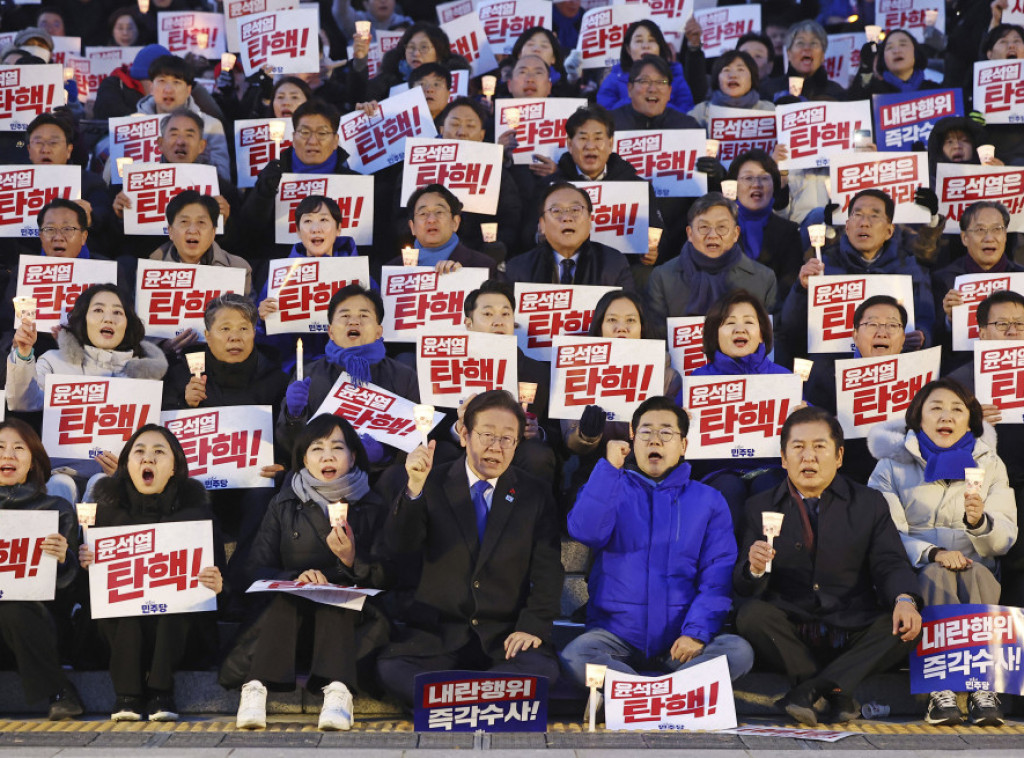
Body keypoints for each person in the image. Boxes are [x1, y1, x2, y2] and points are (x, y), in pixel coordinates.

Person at [734, 406, 923, 726]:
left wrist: (905, 599)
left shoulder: (869, 502)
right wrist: (754, 568)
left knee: (904, 626)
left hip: (850, 627)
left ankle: (808, 692)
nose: (808, 457)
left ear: (838, 456)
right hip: (791, 632)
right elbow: (743, 586)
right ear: (783, 458)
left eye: (819, 447)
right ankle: (838, 691)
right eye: (798, 447)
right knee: (751, 615)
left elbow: (889, 562)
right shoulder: (759, 506)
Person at [561, 396, 755, 705]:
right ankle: (671, 694)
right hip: (616, 637)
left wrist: (696, 633)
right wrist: (608, 471)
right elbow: (584, 531)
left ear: (684, 445)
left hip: (679, 644)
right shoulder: (609, 483)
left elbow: (716, 578)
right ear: (631, 439)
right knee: (576, 654)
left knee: (738, 651)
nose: (655, 440)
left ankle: (634, 695)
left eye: (666, 432)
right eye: (646, 431)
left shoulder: (709, 500)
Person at [376, 390, 563, 708]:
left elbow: (548, 569)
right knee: (390, 668)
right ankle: (488, 699)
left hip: (502, 636)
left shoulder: (534, 494)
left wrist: (532, 625)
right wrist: (414, 488)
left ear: (518, 444)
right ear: (464, 434)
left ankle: (451, 699)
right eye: (487, 435)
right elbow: (399, 547)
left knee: (543, 671)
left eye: (507, 439)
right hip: (439, 634)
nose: (496, 447)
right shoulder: (429, 482)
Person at [867, 379, 1016, 725]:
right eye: (935, 408)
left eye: (957, 409)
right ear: (919, 418)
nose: (945, 415)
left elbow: (1005, 537)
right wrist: (932, 552)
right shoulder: (890, 466)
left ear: (970, 421)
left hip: (976, 566)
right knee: (937, 575)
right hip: (915, 570)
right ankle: (941, 689)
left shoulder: (990, 465)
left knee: (977, 572)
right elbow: (885, 536)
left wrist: (979, 523)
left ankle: (983, 688)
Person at [229, 414, 390, 730]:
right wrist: (294, 578)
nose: (327, 456)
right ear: (303, 458)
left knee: (336, 598)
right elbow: (254, 567)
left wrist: (350, 560)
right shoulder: (283, 503)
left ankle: (338, 692)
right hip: (289, 620)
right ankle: (255, 687)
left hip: (350, 622)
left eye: (337, 447)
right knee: (288, 598)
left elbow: (389, 573)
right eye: (317, 448)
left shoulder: (374, 505)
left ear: (353, 455)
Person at [78, 425, 223, 721]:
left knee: (174, 599)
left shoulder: (197, 516)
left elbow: (223, 584)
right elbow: (88, 598)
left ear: (174, 467)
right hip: (119, 633)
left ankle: (161, 691)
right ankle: (127, 694)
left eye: (159, 452)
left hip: (180, 634)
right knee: (128, 602)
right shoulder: (104, 515)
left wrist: (218, 584)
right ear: (126, 465)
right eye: (139, 452)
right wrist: (86, 568)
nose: (149, 459)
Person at [561, 290, 680, 505]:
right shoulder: (577, 369)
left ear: (642, 326)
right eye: (612, 320)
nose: (621, 327)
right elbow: (571, 439)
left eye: (631, 320)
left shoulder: (667, 377)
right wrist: (587, 435)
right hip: (595, 464)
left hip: (649, 468)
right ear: (599, 326)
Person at [780, 189, 934, 354]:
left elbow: (926, 319)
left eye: (874, 216)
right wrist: (801, 289)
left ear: (889, 231)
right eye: (857, 214)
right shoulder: (824, 266)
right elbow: (791, 328)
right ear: (847, 227)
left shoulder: (909, 268)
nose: (864, 223)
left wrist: (922, 335)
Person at [0, 419, 83, 720]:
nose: (7, 455)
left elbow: (71, 597)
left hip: (37, 626)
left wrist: (65, 562)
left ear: (33, 460)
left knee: (13, 605)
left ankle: (60, 691)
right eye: (0, 448)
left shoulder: (55, 509)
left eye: (18, 448)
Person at [945, 291, 1024, 608]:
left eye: (1019, 323)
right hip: (980, 487)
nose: (1012, 330)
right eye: (1001, 323)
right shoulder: (958, 381)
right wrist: (968, 421)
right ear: (980, 331)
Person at [277, 284, 418, 458]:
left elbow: (418, 440)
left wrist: (384, 455)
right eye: (345, 315)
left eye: (363, 315)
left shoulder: (404, 376)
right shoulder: (308, 376)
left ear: (378, 331)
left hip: (383, 478)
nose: (353, 321)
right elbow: (289, 446)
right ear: (330, 331)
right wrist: (294, 416)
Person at [531, 105, 662, 270]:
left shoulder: (637, 187)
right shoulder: (549, 187)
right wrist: (539, 237)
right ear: (570, 144)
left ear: (610, 143)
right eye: (583, 138)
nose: (590, 146)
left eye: (598, 138)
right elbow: (527, 235)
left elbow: (657, 232)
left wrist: (651, 252)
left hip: (621, 269)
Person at [804, 295, 909, 483]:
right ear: (855, 335)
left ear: (903, 339)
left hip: (903, 475)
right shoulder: (824, 373)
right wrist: (827, 427)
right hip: (844, 476)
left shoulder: (920, 372)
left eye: (892, 325)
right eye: (872, 324)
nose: (882, 332)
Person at [646, 193, 778, 339]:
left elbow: (773, 337)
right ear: (689, 234)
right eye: (704, 227)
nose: (712, 234)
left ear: (735, 234)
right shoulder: (662, 277)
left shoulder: (763, 279)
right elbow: (656, 336)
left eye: (722, 227)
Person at [239, 100, 356, 265]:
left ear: (336, 140)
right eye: (305, 132)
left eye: (322, 133)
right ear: (293, 138)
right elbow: (248, 233)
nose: (313, 141)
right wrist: (264, 193)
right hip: (280, 268)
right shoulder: (272, 177)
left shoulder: (354, 182)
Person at [257, 195, 366, 370]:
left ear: (338, 228)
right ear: (298, 231)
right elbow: (269, 344)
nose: (316, 229)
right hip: (295, 366)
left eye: (324, 220)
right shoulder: (281, 277)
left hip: (348, 363)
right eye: (308, 221)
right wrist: (263, 320)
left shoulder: (359, 275)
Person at [462, 281, 556, 483]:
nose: (498, 321)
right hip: (465, 450)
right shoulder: (450, 365)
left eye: (505, 314)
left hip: (518, 451)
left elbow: (556, 430)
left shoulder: (538, 371)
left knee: (537, 456)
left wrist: (537, 431)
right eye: (488, 314)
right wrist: (458, 428)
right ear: (469, 324)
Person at [933, 202, 1023, 364]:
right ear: (964, 238)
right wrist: (949, 321)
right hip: (961, 369)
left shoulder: (1021, 277)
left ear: (1005, 235)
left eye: (997, 229)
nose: (989, 238)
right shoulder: (943, 280)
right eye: (980, 230)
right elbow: (933, 342)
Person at [505, 182, 634, 292]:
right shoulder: (517, 269)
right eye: (556, 211)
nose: (566, 218)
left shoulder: (613, 264)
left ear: (589, 220)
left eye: (575, 210)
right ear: (542, 225)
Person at [435, 98, 523, 255]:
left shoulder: (498, 174)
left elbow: (511, 222)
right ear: (441, 130)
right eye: (455, 124)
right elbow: (402, 221)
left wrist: (490, 248)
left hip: (482, 257)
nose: (461, 132)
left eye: (470, 125)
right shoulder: (420, 168)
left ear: (482, 134)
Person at [132, 54, 230, 178]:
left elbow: (223, 177)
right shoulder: (131, 125)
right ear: (151, 87)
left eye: (176, 82)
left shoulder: (210, 126)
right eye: (162, 81)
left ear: (188, 90)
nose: (168, 89)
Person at [726, 150, 802, 295]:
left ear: (774, 186)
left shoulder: (789, 232)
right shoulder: (720, 230)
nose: (756, 184)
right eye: (748, 178)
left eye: (764, 178)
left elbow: (789, 288)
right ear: (734, 185)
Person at [148, 190, 252, 297]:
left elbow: (249, 312)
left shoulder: (237, 268)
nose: (192, 230)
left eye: (201, 222)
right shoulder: (149, 270)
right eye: (184, 222)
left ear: (213, 232)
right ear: (170, 231)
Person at [385, 184, 498, 276]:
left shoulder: (482, 266)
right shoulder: (392, 270)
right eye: (423, 213)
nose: (431, 220)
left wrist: (463, 276)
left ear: (455, 222)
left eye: (439, 212)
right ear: (412, 227)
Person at [597, 20, 696, 114]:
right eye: (639, 41)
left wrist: (657, 106)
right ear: (628, 49)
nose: (645, 46)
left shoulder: (675, 76)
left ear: (660, 48)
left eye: (651, 40)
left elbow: (687, 114)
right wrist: (637, 101)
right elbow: (604, 117)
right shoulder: (614, 78)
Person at [759, 20, 846, 101]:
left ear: (823, 55)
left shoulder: (836, 92)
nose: (807, 48)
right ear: (789, 54)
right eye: (800, 43)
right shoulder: (768, 90)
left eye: (814, 43)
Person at [688, 50, 774, 127]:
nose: (733, 75)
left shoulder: (768, 110)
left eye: (740, 69)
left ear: (752, 77)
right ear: (717, 79)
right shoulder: (702, 111)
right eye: (726, 70)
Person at [848, 29, 943, 97]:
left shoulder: (936, 92)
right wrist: (866, 65)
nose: (896, 51)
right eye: (889, 48)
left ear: (916, 52)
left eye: (903, 45)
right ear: (883, 59)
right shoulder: (873, 93)